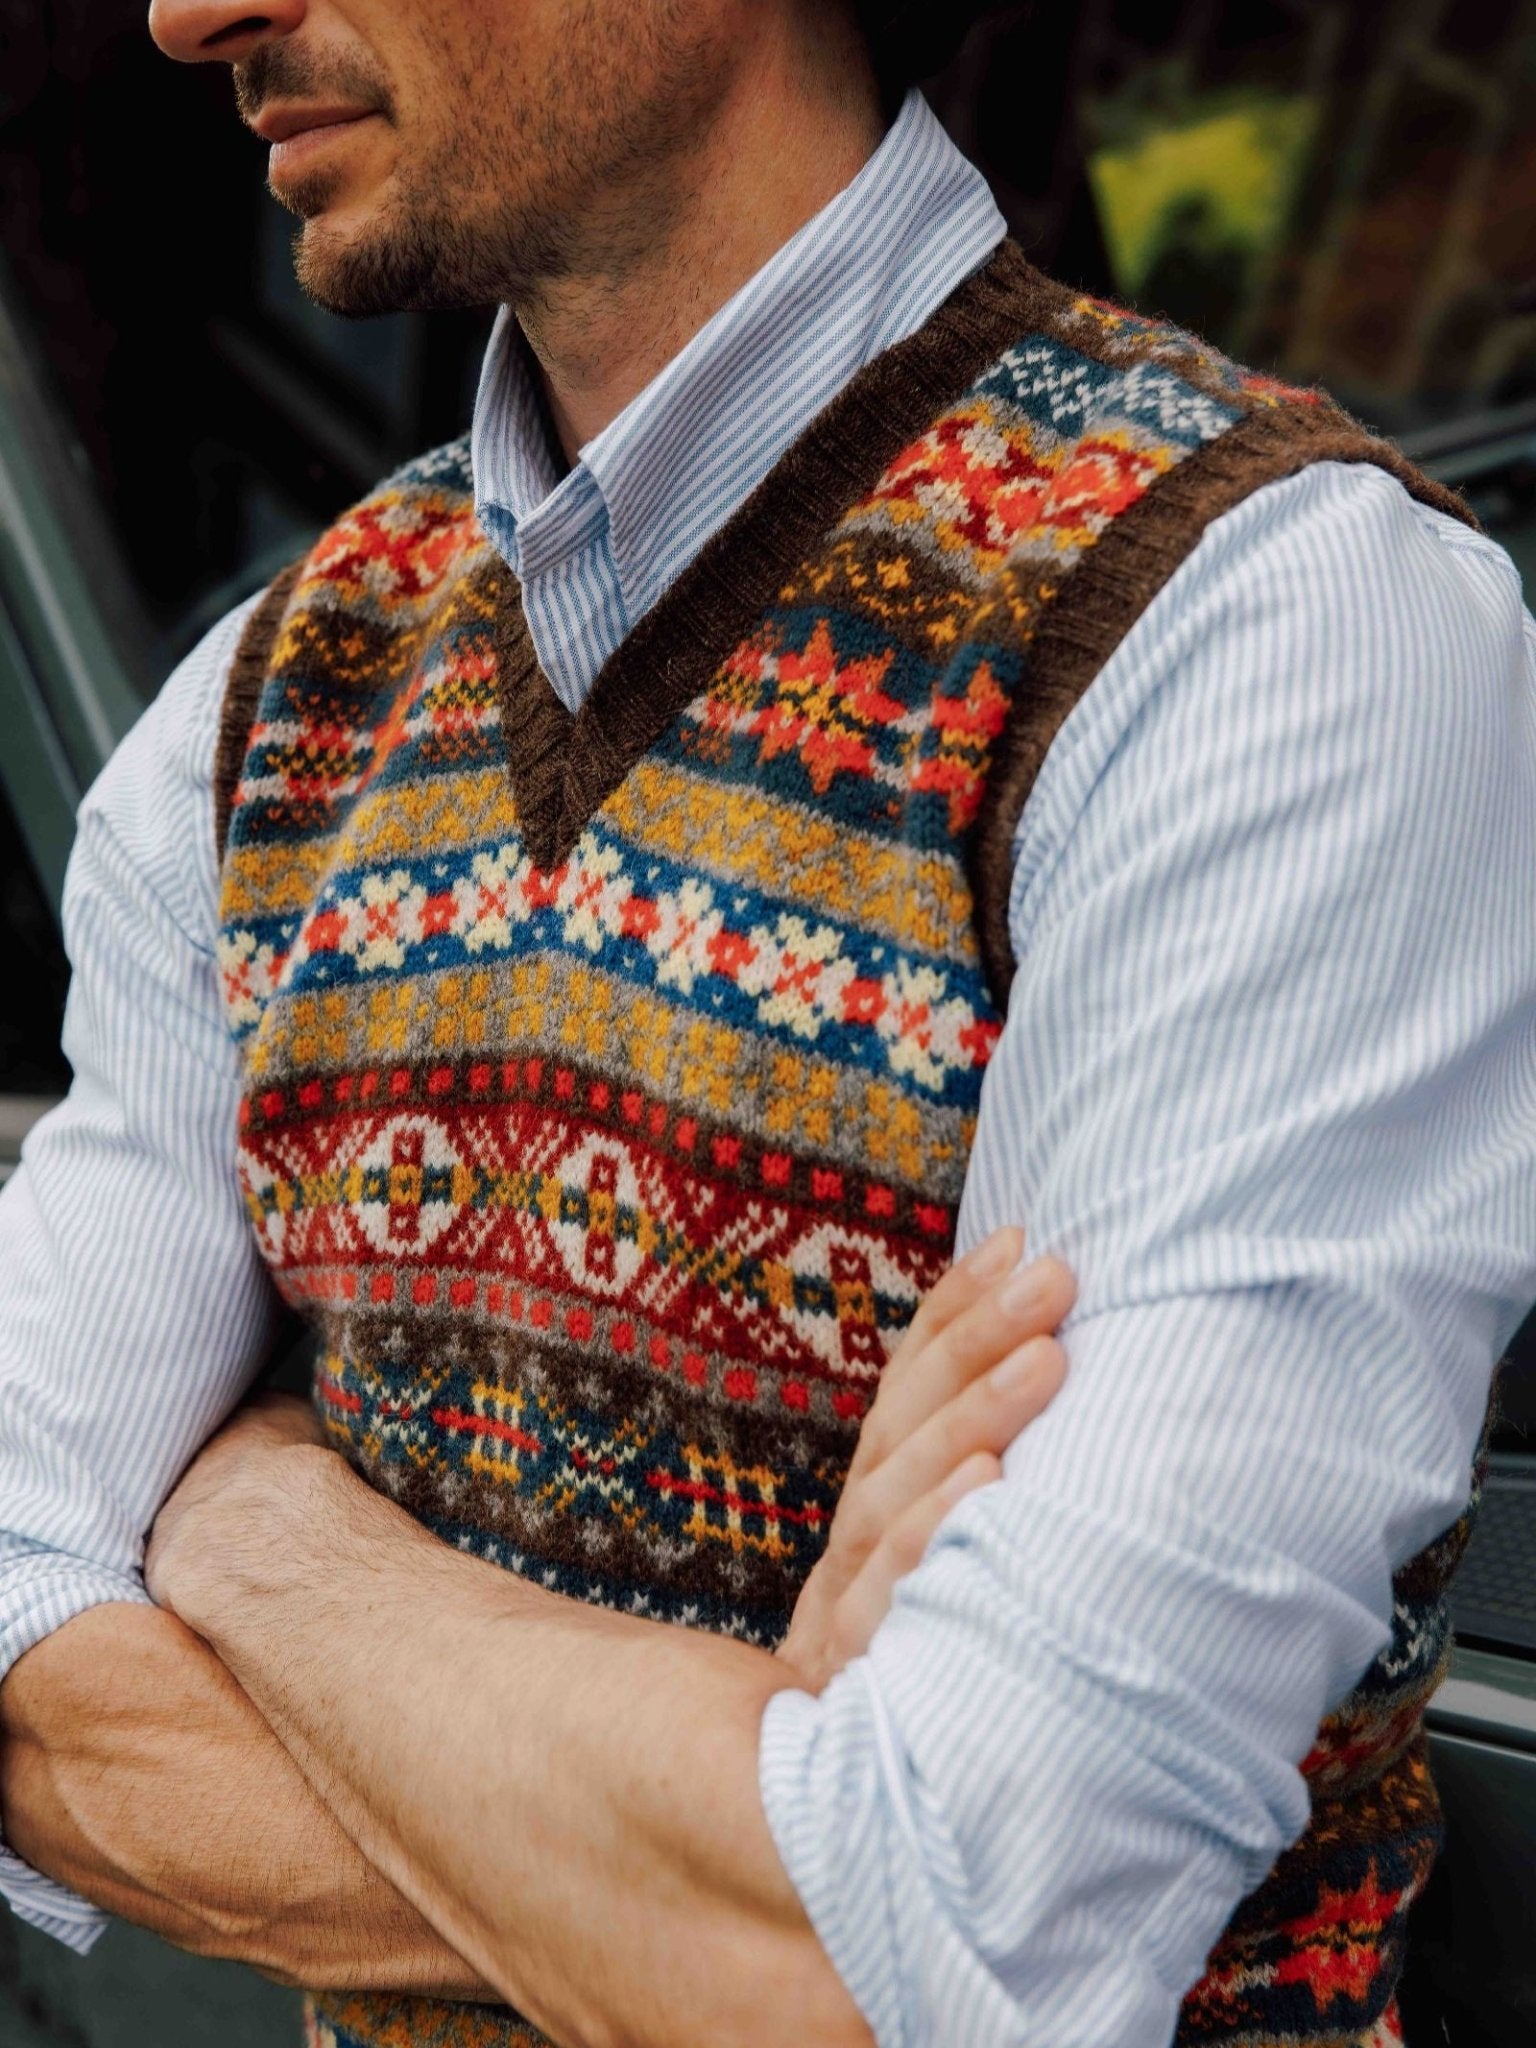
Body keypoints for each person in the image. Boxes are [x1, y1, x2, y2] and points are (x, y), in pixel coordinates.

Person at [0, 1, 1532, 2044]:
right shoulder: (264, 714)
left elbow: (934, 1956)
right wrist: (732, 1834)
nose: (190, 10)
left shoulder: (1262, 633)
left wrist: (254, 1528)